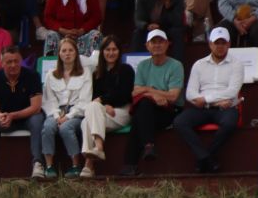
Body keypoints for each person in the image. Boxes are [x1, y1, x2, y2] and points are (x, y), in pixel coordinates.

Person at [174, 26, 243, 173]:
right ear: (210, 44)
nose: (219, 46)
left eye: (223, 43)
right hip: (203, 108)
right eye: (216, 43)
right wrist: (212, 101)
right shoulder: (199, 64)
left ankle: (204, 158)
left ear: (229, 44)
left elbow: (232, 92)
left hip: (225, 107)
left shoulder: (236, 64)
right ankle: (207, 158)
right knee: (180, 122)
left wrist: (205, 99)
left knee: (230, 123)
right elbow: (190, 94)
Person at [0, 44, 44, 181]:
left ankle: (38, 163)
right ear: (2, 63)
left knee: (38, 119)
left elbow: (36, 107)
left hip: (27, 118)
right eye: (9, 62)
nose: (13, 65)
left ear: (20, 61)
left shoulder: (32, 76)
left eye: (16, 61)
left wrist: (13, 115)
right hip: (4, 119)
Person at [124, 27, 183, 174]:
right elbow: (135, 92)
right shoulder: (143, 65)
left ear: (168, 44)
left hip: (170, 110)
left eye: (160, 42)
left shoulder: (176, 65)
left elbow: (173, 96)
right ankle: (148, 146)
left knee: (140, 115)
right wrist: (154, 97)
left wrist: (149, 90)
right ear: (147, 46)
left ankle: (130, 164)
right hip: (150, 109)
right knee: (143, 108)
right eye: (153, 42)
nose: (157, 45)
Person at [80, 34, 135, 175]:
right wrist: (104, 106)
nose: (111, 53)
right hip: (103, 112)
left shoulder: (126, 70)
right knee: (87, 118)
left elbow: (124, 94)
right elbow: (94, 98)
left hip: (121, 111)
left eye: (114, 49)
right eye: (107, 49)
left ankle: (89, 162)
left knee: (89, 116)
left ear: (119, 51)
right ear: (102, 52)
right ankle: (97, 150)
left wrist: (103, 101)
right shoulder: (97, 74)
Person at [40, 35, 92, 177]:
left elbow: (85, 100)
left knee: (66, 128)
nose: (67, 53)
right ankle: (49, 166)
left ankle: (75, 165)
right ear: (59, 54)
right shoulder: (51, 74)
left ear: (76, 53)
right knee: (48, 127)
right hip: (56, 111)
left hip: (76, 112)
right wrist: (57, 115)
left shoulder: (85, 73)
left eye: (70, 50)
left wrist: (68, 116)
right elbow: (48, 100)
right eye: (64, 51)